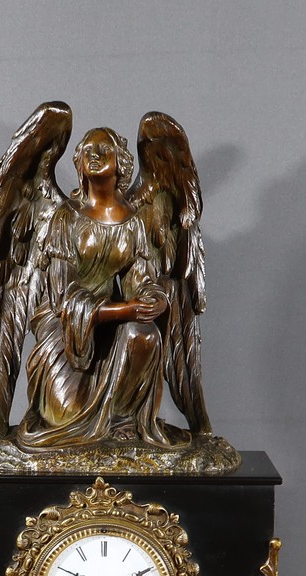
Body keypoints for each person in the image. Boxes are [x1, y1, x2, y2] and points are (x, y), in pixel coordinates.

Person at [18, 127, 185, 448]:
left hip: (109, 329)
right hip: (66, 331)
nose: (94, 155)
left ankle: (121, 419)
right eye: (87, 151)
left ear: (121, 163)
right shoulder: (66, 218)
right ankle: (88, 413)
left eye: (104, 149)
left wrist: (155, 300)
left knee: (145, 334)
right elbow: (64, 299)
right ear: (79, 163)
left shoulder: (133, 223)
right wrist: (124, 310)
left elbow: (142, 281)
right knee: (65, 415)